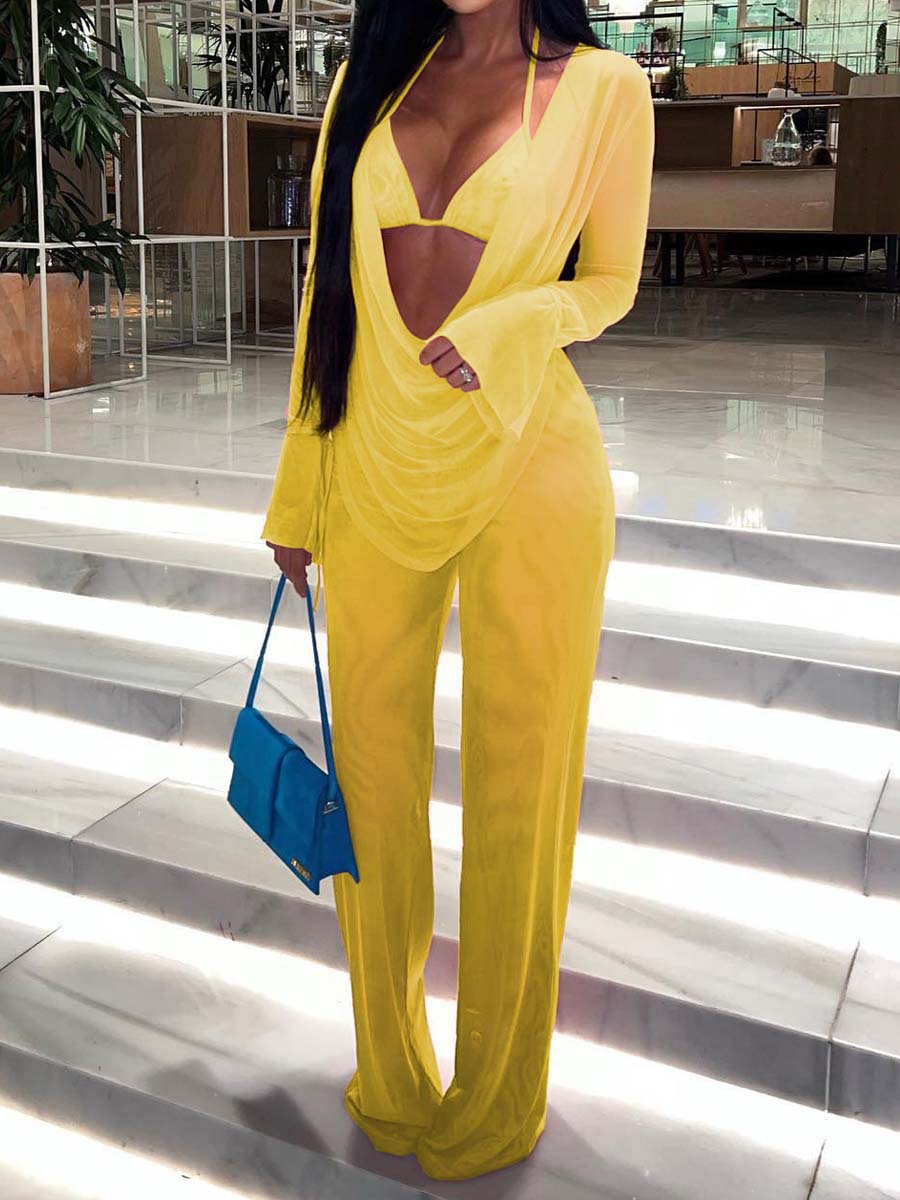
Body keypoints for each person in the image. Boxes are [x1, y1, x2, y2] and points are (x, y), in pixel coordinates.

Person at [262, 0, 654, 1181]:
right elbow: (326, 291)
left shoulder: (603, 88)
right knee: (374, 789)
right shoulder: (367, 79)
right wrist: (297, 491)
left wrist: (526, 316)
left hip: (531, 461)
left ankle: (499, 1093)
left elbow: (612, 282)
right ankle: (390, 1073)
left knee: (521, 791)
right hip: (371, 460)